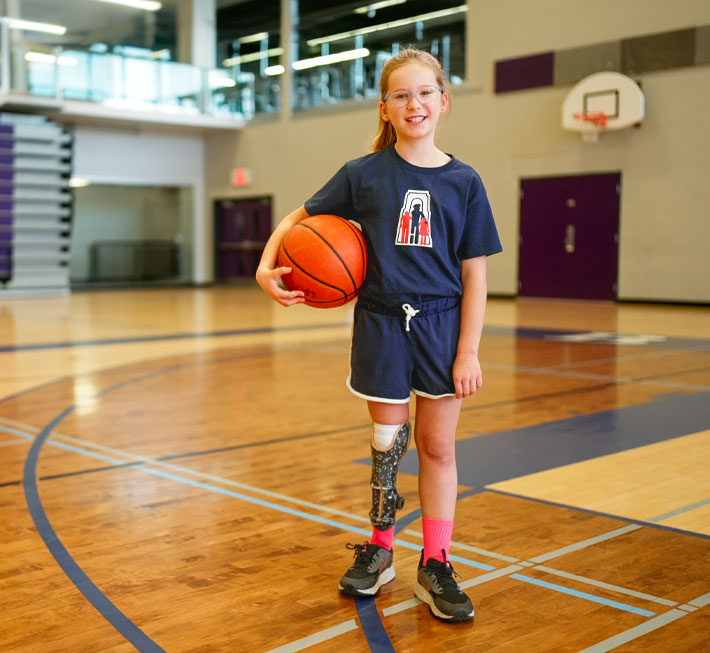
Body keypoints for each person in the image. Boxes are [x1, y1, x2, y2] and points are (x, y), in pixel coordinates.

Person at [256, 48, 502, 623]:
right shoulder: (363, 174)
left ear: (444, 101)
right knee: (387, 447)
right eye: (400, 95)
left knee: (438, 447)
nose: (413, 104)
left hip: (442, 326)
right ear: (385, 109)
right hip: (381, 322)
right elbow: (297, 217)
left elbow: (476, 275)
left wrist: (468, 351)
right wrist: (267, 267)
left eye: (424, 93)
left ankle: (436, 561)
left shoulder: (464, 181)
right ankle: (381, 548)